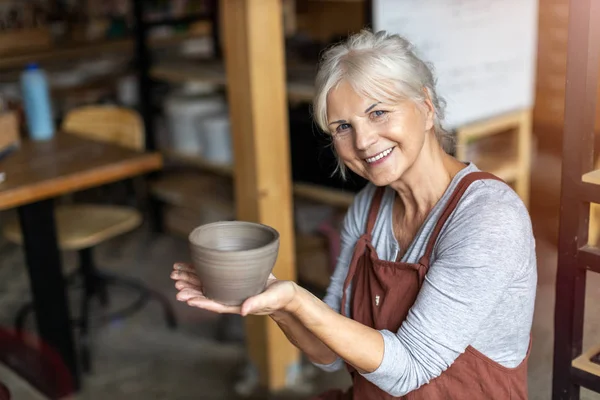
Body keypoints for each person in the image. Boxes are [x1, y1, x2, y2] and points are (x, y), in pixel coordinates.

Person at [170, 30, 537, 399]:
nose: (362, 142)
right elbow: (328, 353)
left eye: (378, 113)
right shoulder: (368, 208)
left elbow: (410, 369)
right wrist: (274, 304)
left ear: (425, 108)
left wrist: (297, 300)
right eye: (343, 127)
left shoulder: (488, 219)